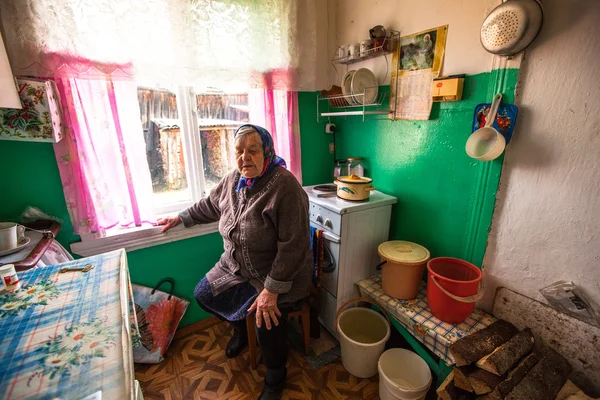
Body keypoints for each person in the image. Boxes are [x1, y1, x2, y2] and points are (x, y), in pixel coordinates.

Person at [158, 124, 312, 400]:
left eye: (253, 151)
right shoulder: (232, 180)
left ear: (267, 152)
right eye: (239, 151)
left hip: (277, 275)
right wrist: (181, 218)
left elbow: (293, 247)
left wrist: (271, 290)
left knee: (267, 320)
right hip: (234, 267)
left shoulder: (285, 187)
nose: (245, 158)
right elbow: (210, 204)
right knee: (203, 293)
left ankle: (276, 374)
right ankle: (240, 328)